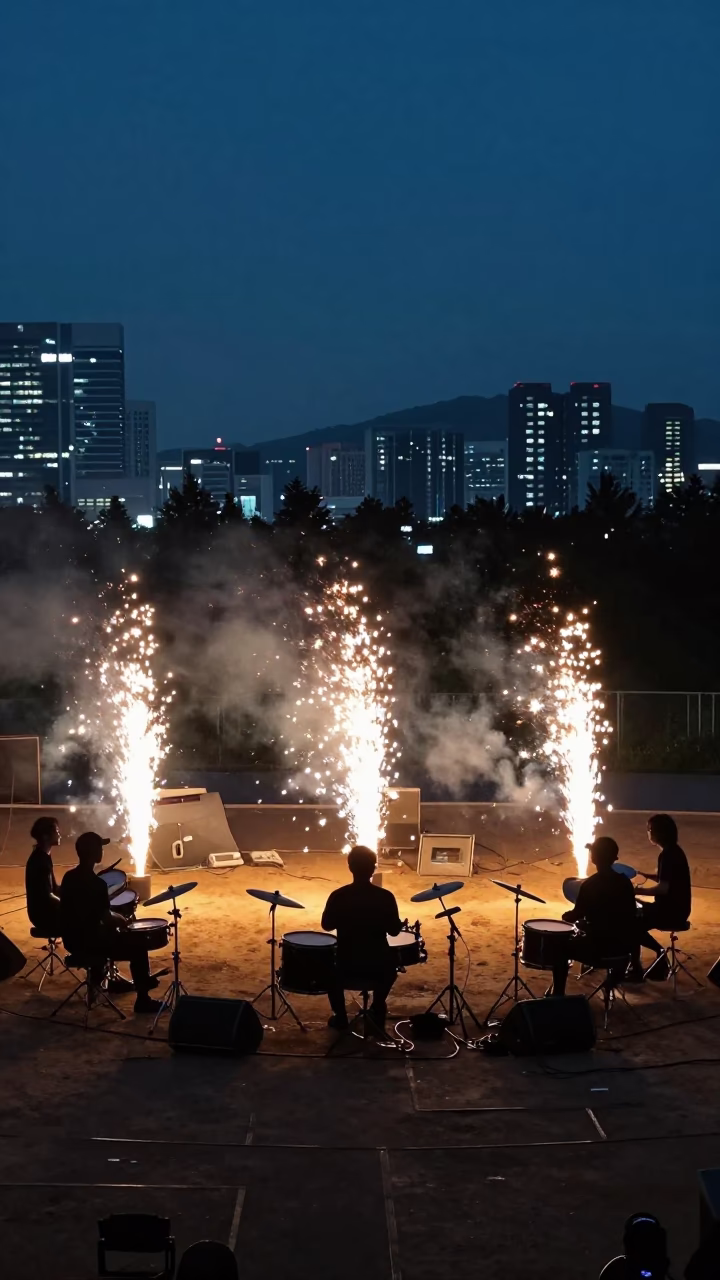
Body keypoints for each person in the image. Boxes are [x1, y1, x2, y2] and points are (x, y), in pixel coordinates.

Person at [60, 831, 160, 1014]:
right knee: (138, 945)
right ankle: (143, 1000)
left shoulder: (68, 878)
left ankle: (103, 981)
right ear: (94, 853)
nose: (102, 851)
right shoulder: (97, 884)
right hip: (92, 944)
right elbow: (106, 918)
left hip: (71, 941)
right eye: (100, 848)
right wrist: (123, 919)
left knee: (105, 933)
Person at [321, 845, 403, 1032]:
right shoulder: (385, 897)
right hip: (377, 967)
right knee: (394, 964)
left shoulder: (338, 896)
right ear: (374, 868)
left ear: (350, 867)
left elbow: (326, 925)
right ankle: (377, 1006)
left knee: (327, 969)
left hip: (346, 965)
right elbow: (394, 932)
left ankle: (340, 1016)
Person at [548, 835, 639, 997]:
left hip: (599, 950)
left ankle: (558, 995)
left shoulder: (589, 885)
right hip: (623, 951)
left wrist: (567, 916)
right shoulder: (626, 883)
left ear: (593, 858)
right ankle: (615, 979)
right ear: (615, 859)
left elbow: (575, 915)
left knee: (558, 949)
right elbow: (632, 915)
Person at [633, 814, 691, 969]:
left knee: (630, 923)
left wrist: (636, 891)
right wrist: (646, 875)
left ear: (659, 833)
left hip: (669, 912)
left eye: (650, 829)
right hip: (679, 909)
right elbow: (666, 878)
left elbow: (663, 888)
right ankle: (651, 959)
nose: (648, 833)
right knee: (636, 909)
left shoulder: (666, 855)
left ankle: (647, 961)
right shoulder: (675, 851)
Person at [25, 816, 62, 936]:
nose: (59, 834)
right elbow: (48, 895)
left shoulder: (43, 855)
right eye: (56, 831)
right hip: (43, 915)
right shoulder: (40, 861)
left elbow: (53, 888)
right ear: (46, 836)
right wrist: (68, 905)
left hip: (43, 911)